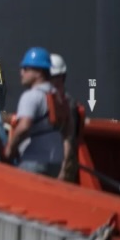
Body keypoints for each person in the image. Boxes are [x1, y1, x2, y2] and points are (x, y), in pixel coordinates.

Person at [3, 47, 68, 178]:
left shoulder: (32, 96)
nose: (21, 72)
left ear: (38, 72)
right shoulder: (55, 94)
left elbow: (24, 126)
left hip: (35, 160)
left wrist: (10, 149)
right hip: (55, 160)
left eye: (26, 69)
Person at [49, 53, 85, 183]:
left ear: (62, 78)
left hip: (61, 166)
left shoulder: (67, 105)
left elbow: (68, 141)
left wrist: (62, 173)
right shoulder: (46, 101)